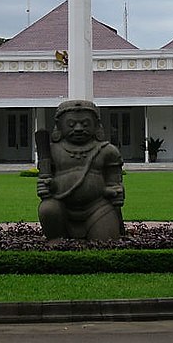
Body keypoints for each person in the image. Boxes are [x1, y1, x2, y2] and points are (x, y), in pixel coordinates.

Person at [37, 100, 125, 240]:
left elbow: (115, 182)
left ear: (96, 125)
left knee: (106, 242)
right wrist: (46, 186)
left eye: (85, 124)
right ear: (59, 126)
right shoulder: (52, 151)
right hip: (62, 208)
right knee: (48, 208)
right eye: (71, 124)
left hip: (97, 207)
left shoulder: (108, 151)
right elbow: (47, 180)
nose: (78, 129)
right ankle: (56, 239)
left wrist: (116, 191)